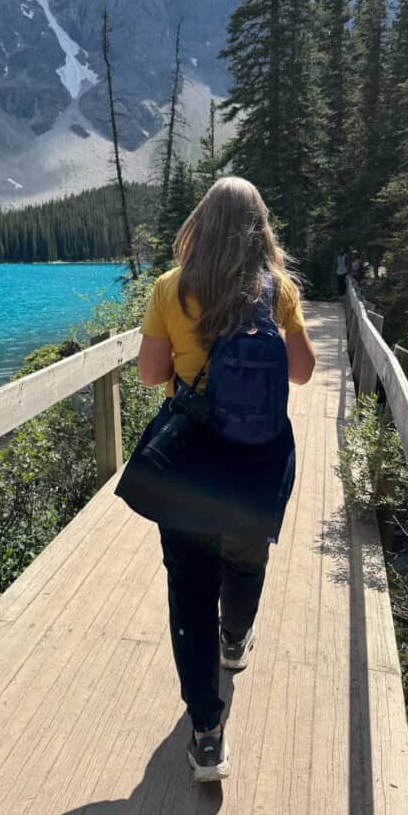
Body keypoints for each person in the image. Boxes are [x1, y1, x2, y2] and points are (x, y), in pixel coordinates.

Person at [137, 177, 316, 783]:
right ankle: (235, 639)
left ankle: (207, 736)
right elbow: (303, 373)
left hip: (189, 465)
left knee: (189, 590)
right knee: (245, 560)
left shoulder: (170, 288)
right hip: (258, 460)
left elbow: (150, 374)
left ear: (200, 223)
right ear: (259, 227)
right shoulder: (276, 290)